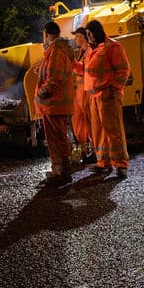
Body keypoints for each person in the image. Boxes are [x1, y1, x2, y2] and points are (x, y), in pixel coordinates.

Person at [83, 19, 131, 178]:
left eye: (90, 34)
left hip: (107, 95)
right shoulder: (91, 50)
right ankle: (103, 163)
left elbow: (123, 71)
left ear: (97, 31)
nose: (88, 37)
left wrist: (114, 90)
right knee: (98, 132)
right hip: (94, 97)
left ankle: (121, 165)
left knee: (113, 131)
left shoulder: (112, 47)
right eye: (87, 35)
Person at [35, 21, 77, 183]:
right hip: (56, 102)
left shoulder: (56, 50)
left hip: (54, 102)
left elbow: (55, 78)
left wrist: (41, 93)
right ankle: (59, 171)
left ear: (47, 34)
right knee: (56, 138)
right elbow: (55, 72)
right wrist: (41, 70)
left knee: (57, 138)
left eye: (44, 36)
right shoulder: (58, 50)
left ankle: (63, 173)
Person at [70, 27, 94, 163]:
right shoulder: (80, 52)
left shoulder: (90, 51)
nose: (75, 39)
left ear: (83, 37)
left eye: (77, 36)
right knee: (78, 120)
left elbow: (83, 69)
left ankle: (96, 150)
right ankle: (84, 148)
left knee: (90, 120)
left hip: (86, 91)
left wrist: (71, 63)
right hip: (79, 91)